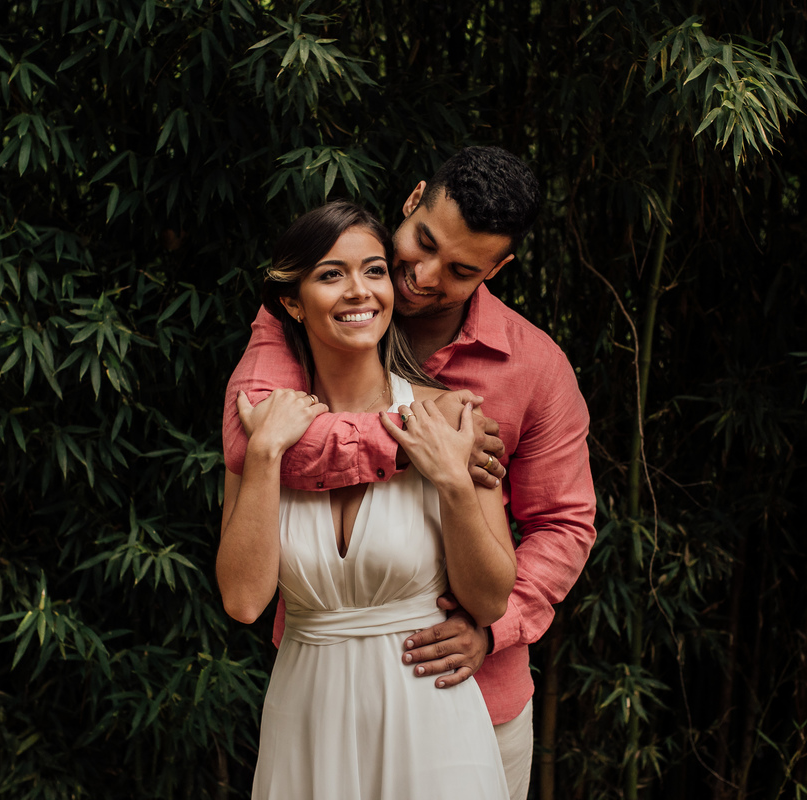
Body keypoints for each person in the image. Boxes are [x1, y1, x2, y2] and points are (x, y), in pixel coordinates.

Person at [223, 147, 597, 800]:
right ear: (413, 198)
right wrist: (411, 441)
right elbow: (267, 437)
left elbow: (564, 524)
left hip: (470, 694)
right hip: (317, 698)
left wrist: (493, 629)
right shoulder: (285, 339)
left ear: (498, 268)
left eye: (459, 270)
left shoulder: (534, 369)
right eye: (420, 244)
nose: (420, 277)